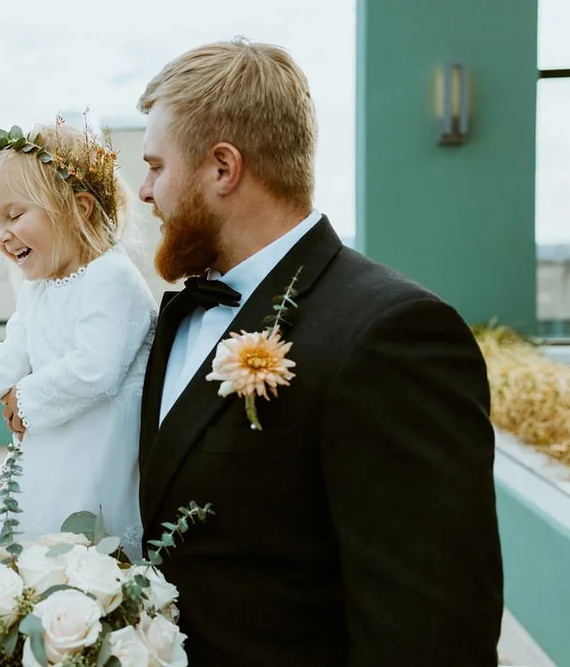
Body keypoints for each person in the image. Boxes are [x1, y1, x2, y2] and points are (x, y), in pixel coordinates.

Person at [135, 39, 503, 665]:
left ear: (222, 168)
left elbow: (432, 634)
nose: (144, 192)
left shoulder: (393, 334)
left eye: (155, 166)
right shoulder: (175, 319)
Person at [0, 119, 157, 553]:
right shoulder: (37, 291)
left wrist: (26, 399)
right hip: (51, 453)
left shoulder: (112, 278)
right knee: (31, 550)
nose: (1, 235)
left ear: (79, 207)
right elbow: (9, 360)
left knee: (83, 552)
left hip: (94, 460)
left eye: (14, 215)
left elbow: (96, 369)